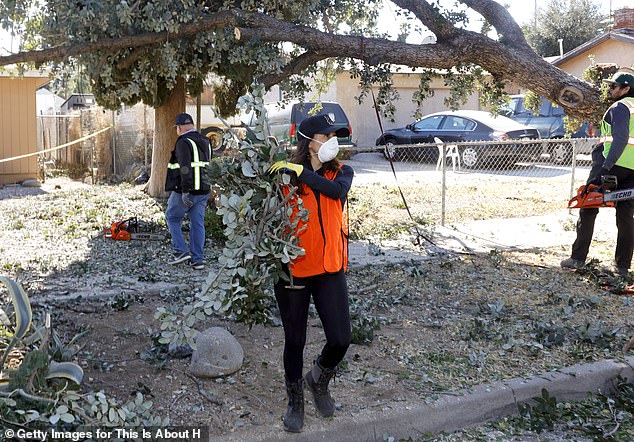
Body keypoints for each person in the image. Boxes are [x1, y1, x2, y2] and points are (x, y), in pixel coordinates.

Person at [268, 114, 353, 433]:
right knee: (295, 340)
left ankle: (318, 379)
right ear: (309, 141)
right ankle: (295, 401)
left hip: (329, 267)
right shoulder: (285, 180)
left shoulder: (342, 172)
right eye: (326, 136)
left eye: (336, 136)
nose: (333, 141)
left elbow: (335, 194)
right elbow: (266, 218)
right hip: (294, 271)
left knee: (341, 339)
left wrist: (300, 171)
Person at [561, 71, 634, 276]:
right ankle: (622, 267)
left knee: (588, 204)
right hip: (632, 168)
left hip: (612, 164)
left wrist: (607, 166)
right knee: (626, 215)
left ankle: (577, 258)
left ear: (625, 89)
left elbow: (620, 139)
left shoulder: (621, 106)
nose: (609, 89)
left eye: (613, 86)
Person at [165, 112, 212, 270]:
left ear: (179, 127)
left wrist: (185, 191)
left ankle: (181, 251)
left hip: (186, 191)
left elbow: (185, 168)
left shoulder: (183, 142)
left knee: (172, 218)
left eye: (176, 128)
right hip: (204, 190)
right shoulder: (205, 140)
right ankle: (198, 260)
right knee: (197, 224)